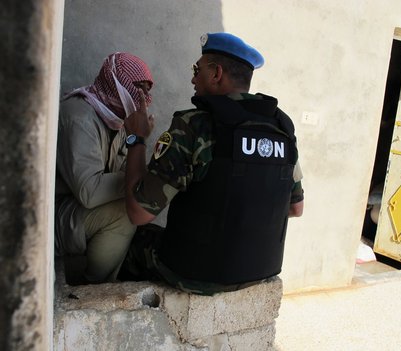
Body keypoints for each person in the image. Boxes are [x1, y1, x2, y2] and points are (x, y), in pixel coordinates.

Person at [121, 33, 304, 295]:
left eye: (197, 70)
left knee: (131, 237)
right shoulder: (282, 128)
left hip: (196, 274)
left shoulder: (194, 125)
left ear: (216, 73)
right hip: (258, 272)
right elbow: (296, 208)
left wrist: (136, 139)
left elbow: (138, 212)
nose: (193, 78)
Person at [55, 52, 154, 283]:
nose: (145, 98)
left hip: (74, 210)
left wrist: (137, 140)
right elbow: (89, 192)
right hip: (54, 214)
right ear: (116, 83)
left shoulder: (116, 118)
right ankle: (93, 287)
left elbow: (121, 168)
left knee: (136, 204)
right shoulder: (80, 116)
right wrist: (140, 178)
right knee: (126, 213)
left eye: (148, 90)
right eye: (139, 88)